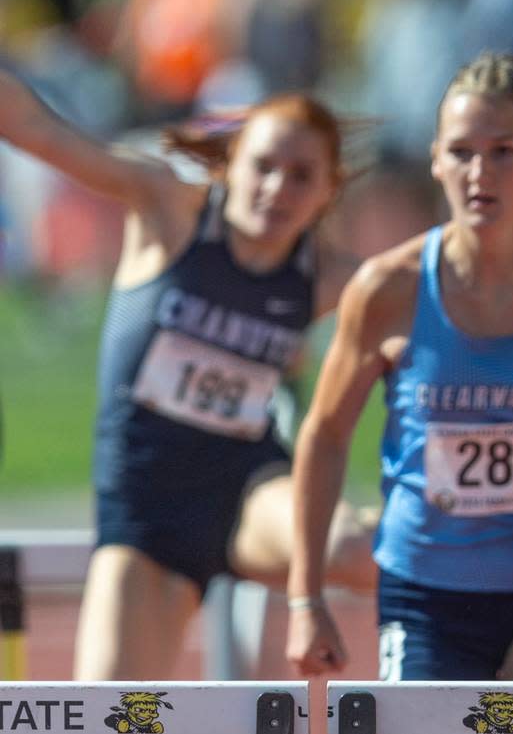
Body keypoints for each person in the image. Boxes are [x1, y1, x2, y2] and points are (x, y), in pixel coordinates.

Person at [285, 51, 513, 681]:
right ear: (435, 160)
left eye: (503, 152)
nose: (479, 172)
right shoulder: (387, 291)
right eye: (461, 152)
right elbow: (323, 437)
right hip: (426, 593)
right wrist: (305, 598)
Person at [0, 67, 377, 680]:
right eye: (263, 167)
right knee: (111, 712)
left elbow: (450, 290)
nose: (277, 189)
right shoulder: (169, 209)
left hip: (245, 491)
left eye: (301, 175)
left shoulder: (332, 276)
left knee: (361, 549)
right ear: (230, 165)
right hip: (144, 510)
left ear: (328, 192)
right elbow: (35, 129)